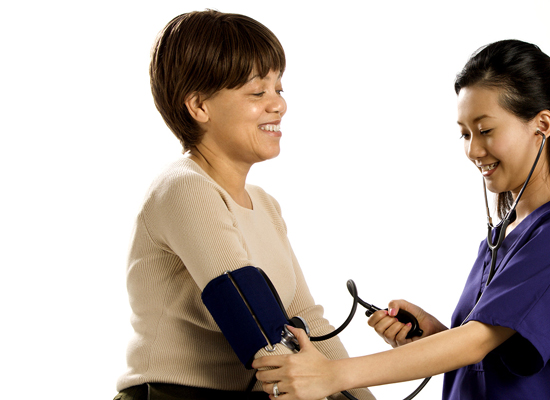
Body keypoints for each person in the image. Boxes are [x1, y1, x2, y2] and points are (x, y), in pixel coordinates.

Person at [252, 39, 550, 400]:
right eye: (465, 134)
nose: (473, 150)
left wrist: (331, 376)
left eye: (486, 130)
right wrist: (433, 334)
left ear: (541, 125)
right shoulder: (504, 235)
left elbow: (477, 341)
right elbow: (491, 354)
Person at [113, 10, 374, 400]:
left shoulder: (266, 206)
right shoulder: (185, 189)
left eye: (279, 90)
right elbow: (260, 327)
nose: (278, 105)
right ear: (199, 106)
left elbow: (307, 321)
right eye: (258, 92)